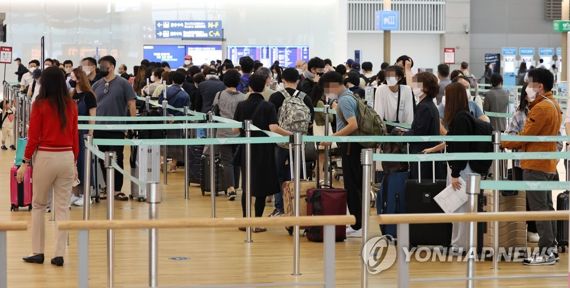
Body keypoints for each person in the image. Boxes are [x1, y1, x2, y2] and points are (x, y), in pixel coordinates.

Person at [19, 66, 79, 267]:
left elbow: (33, 137)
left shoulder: (40, 104)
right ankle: (59, 253)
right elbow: (74, 136)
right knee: (62, 207)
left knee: (38, 205)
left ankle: (38, 251)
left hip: (45, 156)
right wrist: (74, 161)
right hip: (67, 156)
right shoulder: (71, 105)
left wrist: (24, 162)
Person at [502, 68, 562, 265]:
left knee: (539, 209)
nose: (527, 88)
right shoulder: (553, 104)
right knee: (547, 207)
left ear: (540, 86)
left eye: (529, 84)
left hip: (536, 165)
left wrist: (502, 142)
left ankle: (546, 252)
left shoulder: (540, 108)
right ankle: (551, 248)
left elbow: (525, 136)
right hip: (548, 164)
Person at [233, 74, 292, 232]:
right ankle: (257, 223)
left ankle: (246, 221)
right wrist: (291, 135)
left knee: (246, 185)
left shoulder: (241, 105)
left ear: (249, 87)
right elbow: (273, 128)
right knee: (259, 187)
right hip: (264, 149)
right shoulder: (268, 106)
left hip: (246, 147)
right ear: (265, 87)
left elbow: (235, 129)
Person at [319, 71, 363, 237]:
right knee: (354, 184)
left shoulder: (345, 99)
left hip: (350, 146)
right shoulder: (350, 96)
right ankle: (358, 222)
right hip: (353, 145)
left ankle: (357, 224)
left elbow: (353, 125)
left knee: (352, 185)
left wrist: (332, 138)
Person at [268, 68, 315, 216]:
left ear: (282, 80)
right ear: (298, 80)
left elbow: (271, 123)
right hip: (299, 144)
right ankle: (297, 207)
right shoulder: (305, 98)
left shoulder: (275, 97)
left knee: (277, 175)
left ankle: (280, 207)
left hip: (279, 142)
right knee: (298, 175)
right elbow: (310, 123)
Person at [444, 82, 482, 251]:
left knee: (459, 208)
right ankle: (461, 243)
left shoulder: (460, 119)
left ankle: (460, 244)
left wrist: (454, 172)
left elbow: (460, 148)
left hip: (462, 169)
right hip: (465, 168)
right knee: (460, 207)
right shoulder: (464, 116)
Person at [92, 55, 137, 202]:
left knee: (116, 158)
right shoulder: (97, 84)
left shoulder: (123, 83)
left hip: (117, 129)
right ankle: (106, 187)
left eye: (103, 65)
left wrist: (133, 124)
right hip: (99, 128)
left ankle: (117, 189)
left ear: (110, 66)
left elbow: (131, 104)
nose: (100, 69)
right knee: (102, 159)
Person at [506, 84, 539, 243]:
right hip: (520, 163)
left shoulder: (543, 110)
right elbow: (511, 136)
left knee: (537, 198)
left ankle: (534, 228)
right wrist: (524, 139)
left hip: (539, 163)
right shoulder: (518, 115)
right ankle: (520, 229)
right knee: (522, 198)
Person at [212, 69, 246, 201]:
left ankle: (230, 188)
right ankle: (236, 186)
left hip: (222, 132)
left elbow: (215, 111)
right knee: (236, 161)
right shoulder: (243, 97)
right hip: (237, 132)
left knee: (227, 161)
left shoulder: (219, 95)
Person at [405, 72, 443, 180]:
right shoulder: (428, 105)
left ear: (425, 88)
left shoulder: (424, 107)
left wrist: (402, 134)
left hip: (423, 156)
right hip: (427, 157)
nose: (413, 87)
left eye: (416, 84)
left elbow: (418, 133)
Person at [69, 67, 97, 207]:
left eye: (73, 77)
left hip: (84, 133)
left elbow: (93, 116)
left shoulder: (89, 95)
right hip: (72, 133)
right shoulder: (72, 94)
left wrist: (90, 133)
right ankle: (75, 193)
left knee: (84, 163)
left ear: (79, 78)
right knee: (74, 163)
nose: (71, 80)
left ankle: (87, 194)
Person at [159, 71, 190, 171]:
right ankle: (173, 165)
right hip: (177, 122)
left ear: (172, 80)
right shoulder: (185, 95)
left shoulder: (164, 91)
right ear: (183, 81)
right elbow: (186, 110)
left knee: (163, 140)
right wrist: (175, 117)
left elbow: (160, 106)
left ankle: (162, 162)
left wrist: (167, 115)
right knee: (176, 142)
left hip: (164, 120)